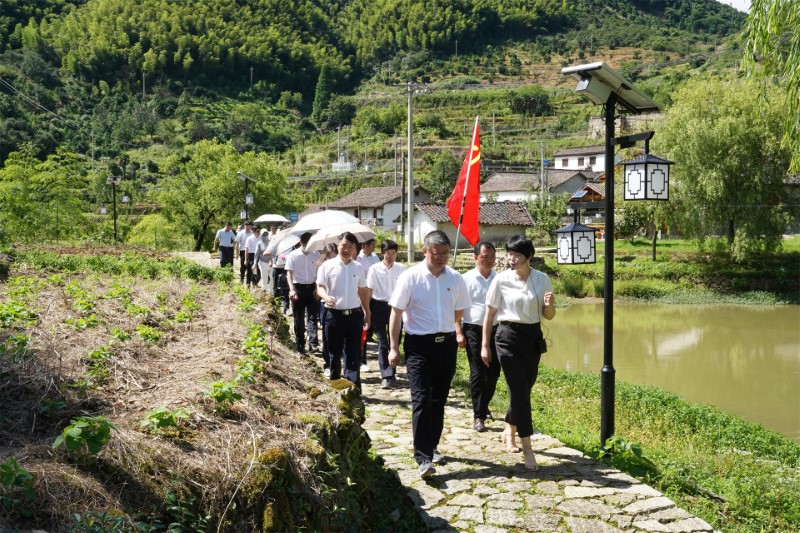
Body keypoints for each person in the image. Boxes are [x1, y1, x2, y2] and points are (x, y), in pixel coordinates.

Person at [388, 230, 470, 478]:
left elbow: (459, 312)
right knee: (421, 400)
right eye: (436, 254)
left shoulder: (455, 278)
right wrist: (393, 347)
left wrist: (450, 330)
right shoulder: (410, 277)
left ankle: (432, 446)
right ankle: (423, 457)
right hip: (418, 346)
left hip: (445, 346)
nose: (442, 258)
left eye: (445, 253)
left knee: (438, 400)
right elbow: (396, 313)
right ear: (425, 251)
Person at [481, 234, 556, 472]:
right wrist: (485, 344)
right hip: (507, 337)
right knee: (519, 390)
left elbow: (549, 316)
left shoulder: (542, 279)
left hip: (532, 337)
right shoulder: (501, 280)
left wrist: (550, 305)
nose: (511, 259)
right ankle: (528, 449)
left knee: (525, 387)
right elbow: (489, 314)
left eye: (517, 255)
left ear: (529, 257)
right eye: (509, 254)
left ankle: (509, 429)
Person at [316, 232, 371, 388]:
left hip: (354, 315)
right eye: (343, 246)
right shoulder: (327, 266)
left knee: (353, 353)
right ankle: (335, 385)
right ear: (338, 246)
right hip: (333, 315)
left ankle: (353, 388)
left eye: (349, 247)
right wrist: (326, 297)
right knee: (334, 352)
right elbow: (320, 287)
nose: (346, 250)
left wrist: (367, 312)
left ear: (354, 248)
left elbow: (362, 291)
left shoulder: (358, 267)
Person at [461, 241, 501, 433]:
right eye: (485, 257)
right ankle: (478, 416)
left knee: (493, 373)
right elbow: (457, 308)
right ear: (475, 257)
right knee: (477, 372)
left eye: (492, 256)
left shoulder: (499, 279)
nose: (489, 260)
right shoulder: (466, 279)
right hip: (473, 329)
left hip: (496, 330)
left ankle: (483, 405)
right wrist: (458, 331)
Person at [366, 239, 406, 389]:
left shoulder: (401, 269)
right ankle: (386, 375)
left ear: (396, 254)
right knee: (383, 342)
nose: (390, 256)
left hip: (396, 307)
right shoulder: (374, 269)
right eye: (387, 253)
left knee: (394, 341)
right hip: (379, 306)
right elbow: (369, 291)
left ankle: (392, 370)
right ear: (382, 253)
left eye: (393, 253)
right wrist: (367, 311)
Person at [286, 232, 321, 354]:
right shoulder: (293, 255)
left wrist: (318, 287)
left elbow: (319, 273)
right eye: (306, 244)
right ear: (301, 243)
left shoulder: (316, 255)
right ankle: (300, 342)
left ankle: (313, 343)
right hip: (298, 288)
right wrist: (291, 289)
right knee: (299, 317)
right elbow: (289, 273)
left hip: (312, 287)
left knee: (312, 316)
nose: (308, 247)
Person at [355, 238, 380, 371]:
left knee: (368, 320)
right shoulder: (357, 259)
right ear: (365, 246)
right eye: (372, 245)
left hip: (373, 293)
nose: (374, 247)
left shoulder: (375, 257)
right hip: (357, 295)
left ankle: (362, 358)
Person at [317, 243, 338, 378]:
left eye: (334, 257)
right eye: (329, 257)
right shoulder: (322, 267)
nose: (332, 260)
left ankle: (337, 364)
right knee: (327, 336)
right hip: (325, 304)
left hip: (341, 306)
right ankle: (328, 364)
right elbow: (320, 286)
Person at [255, 229, 273, 295]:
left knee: (271, 277)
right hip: (262, 262)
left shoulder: (271, 243)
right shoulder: (259, 243)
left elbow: (273, 253)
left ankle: (271, 291)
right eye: (263, 234)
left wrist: (271, 260)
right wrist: (254, 264)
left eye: (266, 234)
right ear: (261, 235)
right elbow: (256, 255)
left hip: (271, 262)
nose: (265, 235)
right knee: (264, 278)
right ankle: (265, 291)